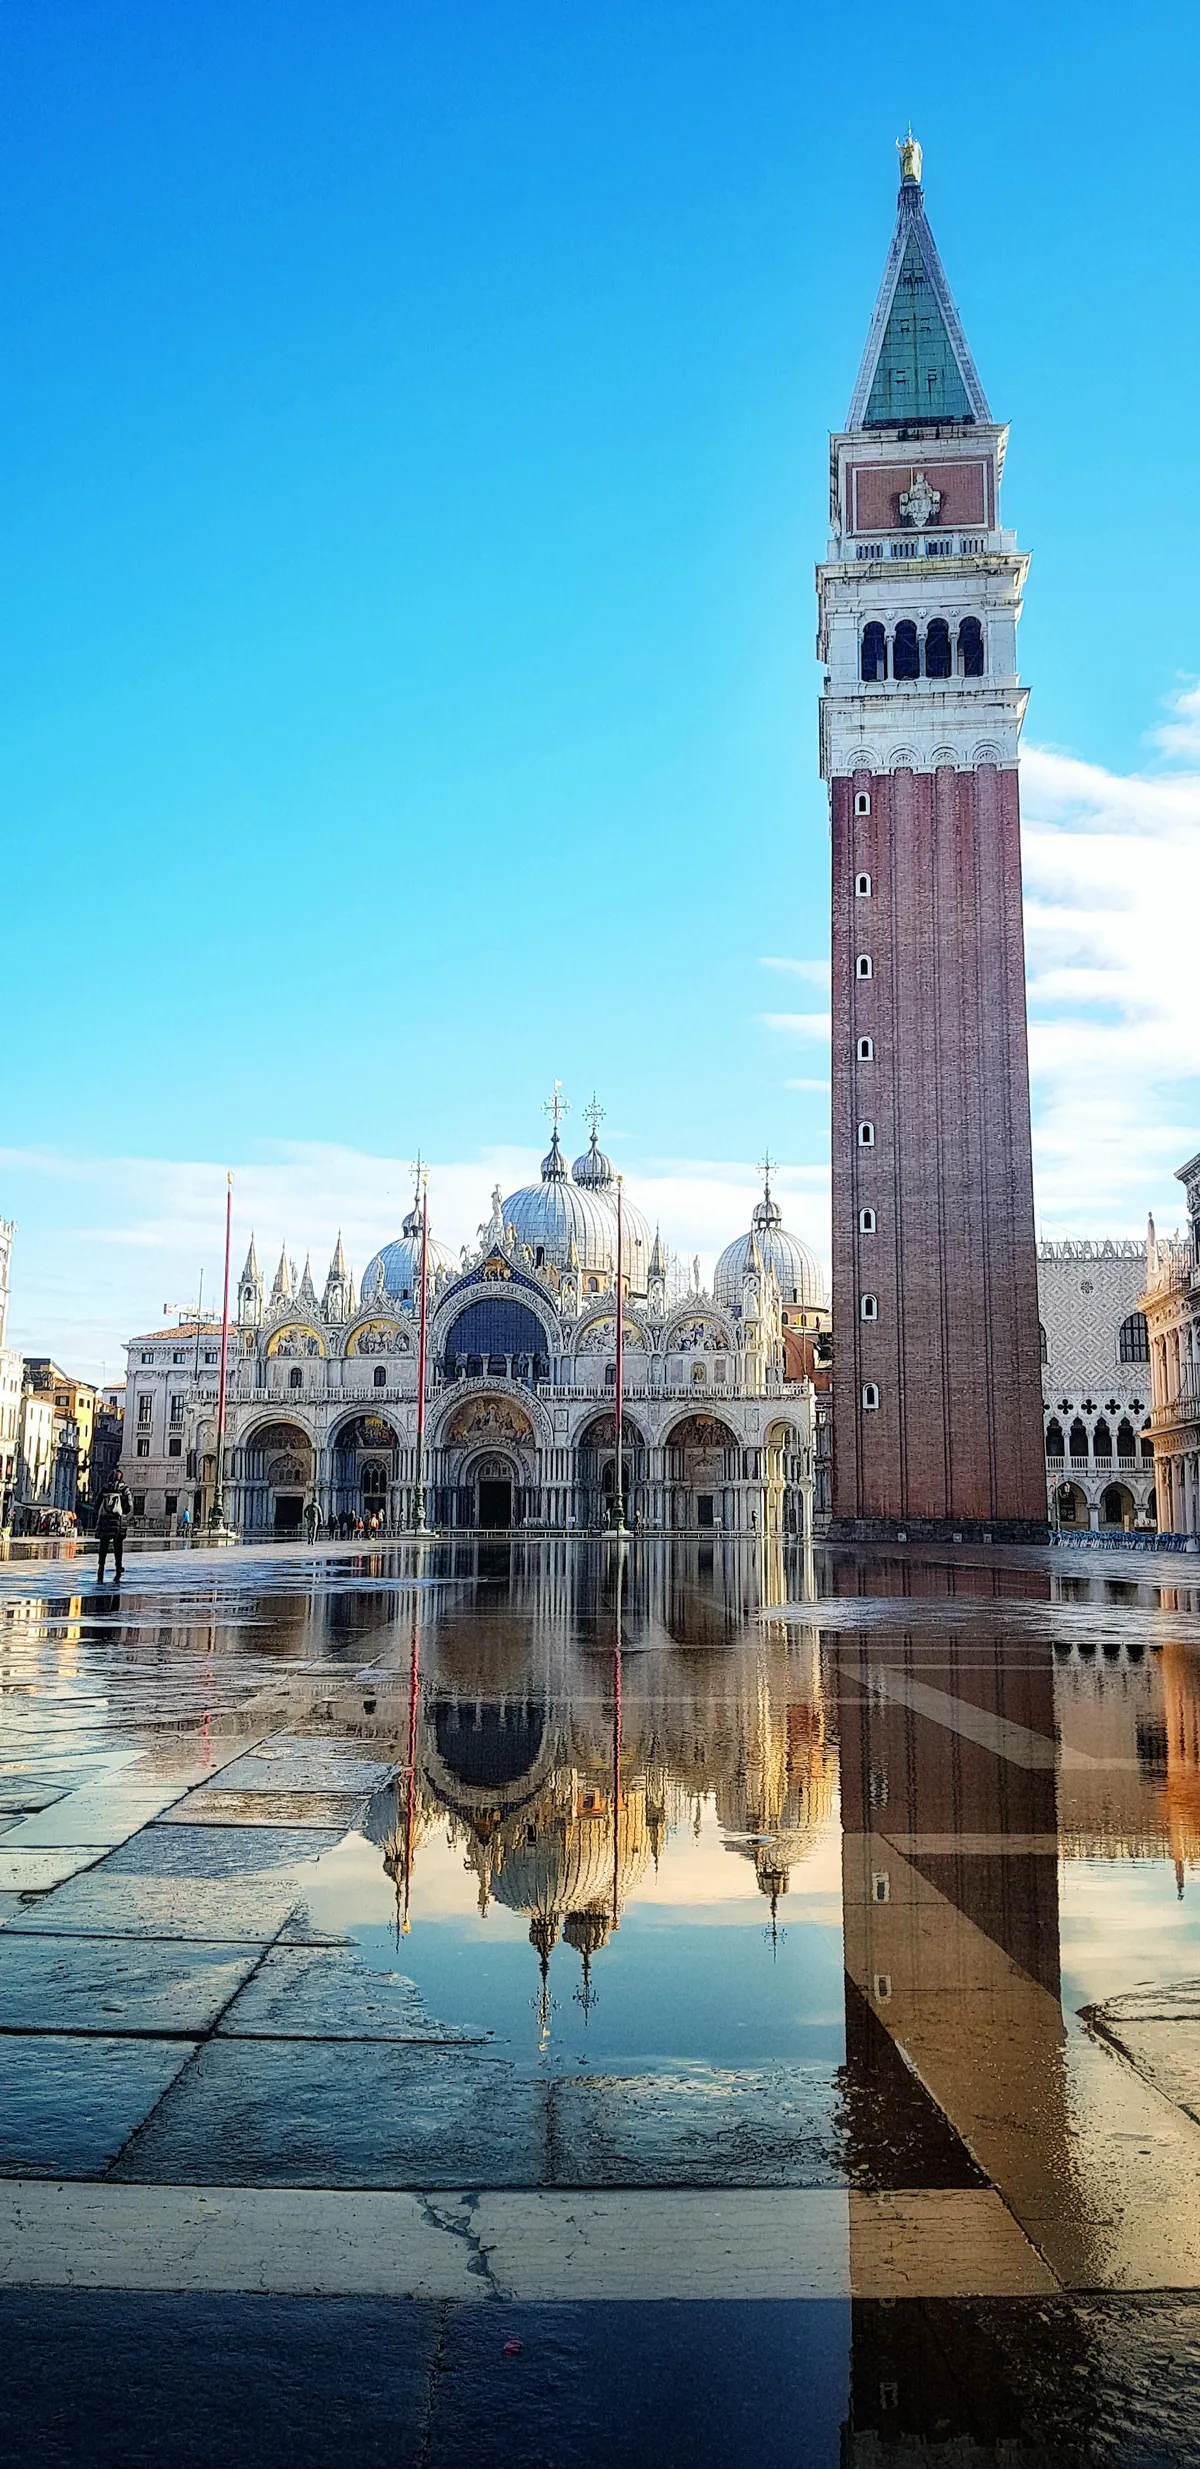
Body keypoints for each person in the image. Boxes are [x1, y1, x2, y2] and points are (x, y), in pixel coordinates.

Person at [96, 1472, 133, 1584]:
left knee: (103, 1545)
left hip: (104, 1521)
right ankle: (118, 1567)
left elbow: (96, 1503)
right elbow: (129, 1506)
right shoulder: (124, 1489)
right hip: (118, 1521)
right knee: (118, 1547)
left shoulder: (105, 1488)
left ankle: (101, 1567)